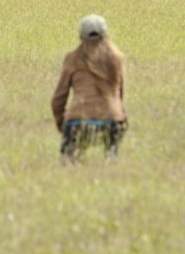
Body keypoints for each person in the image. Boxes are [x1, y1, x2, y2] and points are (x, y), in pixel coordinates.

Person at [51, 14, 128, 162]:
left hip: (77, 119)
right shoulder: (117, 58)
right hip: (112, 119)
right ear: (106, 35)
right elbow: (120, 94)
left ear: (81, 37)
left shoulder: (72, 59)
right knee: (111, 159)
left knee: (68, 162)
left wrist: (62, 124)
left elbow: (58, 99)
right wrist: (120, 115)